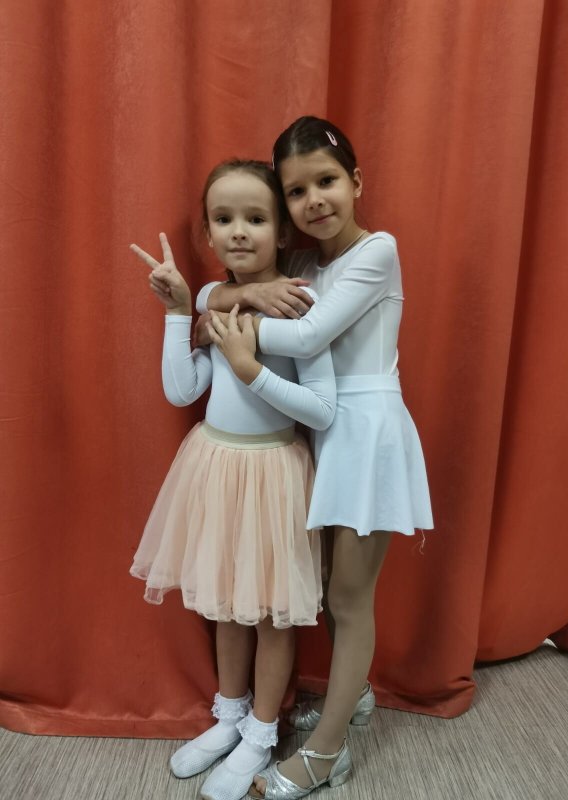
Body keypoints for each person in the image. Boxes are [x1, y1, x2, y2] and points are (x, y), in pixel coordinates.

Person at [197, 117, 434, 798]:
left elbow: (306, 337)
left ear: (355, 181)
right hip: (316, 430)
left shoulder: (377, 250)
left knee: (350, 598)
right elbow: (217, 292)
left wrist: (226, 328)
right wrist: (232, 296)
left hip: (366, 434)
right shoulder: (303, 264)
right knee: (327, 584)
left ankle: (327, 754)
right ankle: (351, 697)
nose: (314, 201)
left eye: (326, 181)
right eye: (296, 192)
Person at [129, 159, 336, 800]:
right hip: (215, 468)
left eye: (255, 218)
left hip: (274, 474)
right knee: (228, 603)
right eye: (223, 219)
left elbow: (321, 408)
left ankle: (262, 732)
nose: (239, 231)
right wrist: (177, 312)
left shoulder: (299, 303)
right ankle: (229, 715)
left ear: (282, 231)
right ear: (208, 232)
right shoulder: (213, 299)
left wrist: (251, 366)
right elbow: (183, 389)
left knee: (272, 613)